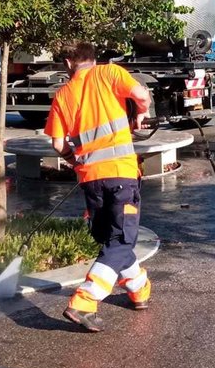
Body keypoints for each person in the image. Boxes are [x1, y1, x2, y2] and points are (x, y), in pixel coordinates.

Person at [45, 41, 153, 332]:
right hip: (121, 175)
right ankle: (84, 301)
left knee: (112, 239)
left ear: (69, 63)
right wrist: (141, 113)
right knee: (121, 240)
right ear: (93, 59)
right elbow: (141, 95)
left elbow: (57, 144)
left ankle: (139, 288)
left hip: (91, 179)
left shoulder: (63, 94)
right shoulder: (110, 73)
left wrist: (74, 159)